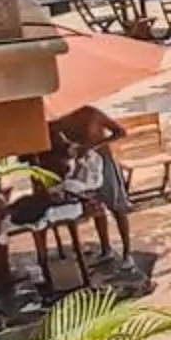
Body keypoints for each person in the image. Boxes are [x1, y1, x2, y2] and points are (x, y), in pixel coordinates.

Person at [52, 103, 135, 266]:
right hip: (85, 168)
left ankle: (127, 253)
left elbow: (120, 132)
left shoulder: (92, 114)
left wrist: (93, 146)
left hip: (104, 163)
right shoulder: (62, 123)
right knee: (97, 208)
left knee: (117, 208)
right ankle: (106, 249)